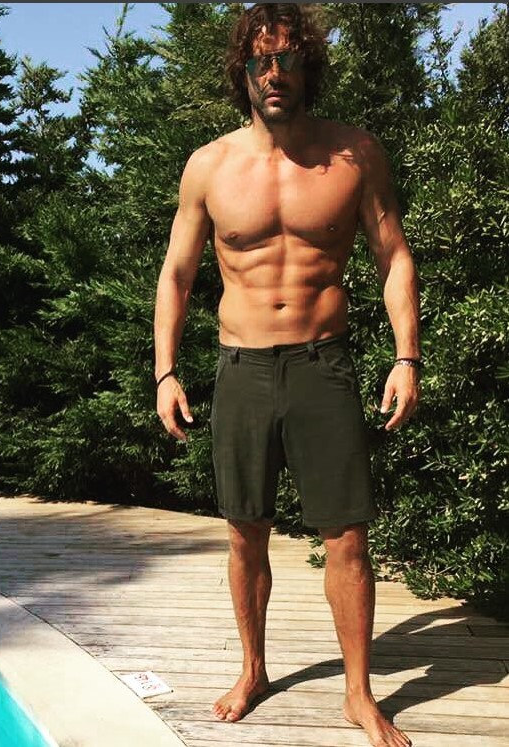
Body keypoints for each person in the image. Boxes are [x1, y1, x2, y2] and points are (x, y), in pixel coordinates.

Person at [153, 4, 420, 747]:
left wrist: (406, 356)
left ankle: (359, 694)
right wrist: (165, 371)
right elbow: (176, 273)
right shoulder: (209, 166)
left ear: (308, 66)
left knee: (347, 537)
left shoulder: (354, 154)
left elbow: (393, 256)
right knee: (245, 531)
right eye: (259, 60)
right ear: (241, 70)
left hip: (321, 364)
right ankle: (253, 669)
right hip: (240, 366)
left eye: (287, 59)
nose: (274, 74)